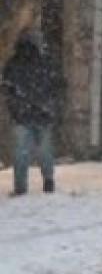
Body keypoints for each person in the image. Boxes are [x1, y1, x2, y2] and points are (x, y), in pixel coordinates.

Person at [3, 30, 64, 195]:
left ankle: (21, 187)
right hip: (42, 113)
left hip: (23, 114)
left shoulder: (14, 63)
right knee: (44, 151)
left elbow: (8, 88)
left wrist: (15, 107)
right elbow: (57, 86)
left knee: (22, 152)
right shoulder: (47, 63)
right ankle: (48, 180)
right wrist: (51, 106)